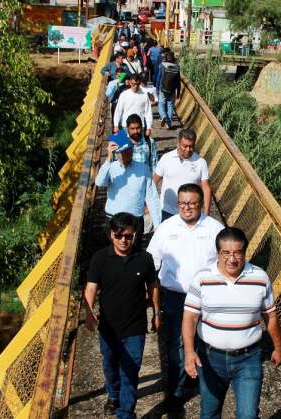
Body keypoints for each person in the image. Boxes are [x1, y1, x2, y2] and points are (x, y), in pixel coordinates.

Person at [182, 227, 281, 419]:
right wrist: (189, 351)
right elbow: (189, 317)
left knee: (248, 415)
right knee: (209, 412)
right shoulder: (202, 278)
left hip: (248, 358)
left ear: (245, 252)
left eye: (238, 253)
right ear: (218, 253)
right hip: (211, 358)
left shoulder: (260, 278)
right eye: (226, 253)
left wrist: (278, 348)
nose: (232, 258)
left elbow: (270, 317)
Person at [146, 183, 224, 411]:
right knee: (176, 347)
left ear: (201, 204)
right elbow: (153, 261)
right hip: (175, 297)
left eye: (192, 203)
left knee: (207, 341)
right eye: (182, 203)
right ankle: (176, 392)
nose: (187, 208)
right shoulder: (166, 228)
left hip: (207, 296)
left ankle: (203, 382)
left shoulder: (214, 229)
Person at [84, 212, 160, 418]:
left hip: (135, 326)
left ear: (135, 234)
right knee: (110, 364)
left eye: (128, 236)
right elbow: (91, 288)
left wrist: (156, 313)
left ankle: (126, 412)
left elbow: (153, 287)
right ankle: (113, 395)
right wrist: (89, 312)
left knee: (131, 369)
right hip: (108, 326)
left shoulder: (144, 259)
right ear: (111, 235)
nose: (124, 240)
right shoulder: (100, 259)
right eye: (119, 236)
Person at [95, 132, 161, 243]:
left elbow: (152, 197)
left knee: (134, 255)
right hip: (113, 219)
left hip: (135, 220)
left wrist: (157, 225)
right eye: (122, 152)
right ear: (116, 153)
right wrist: (108, 159)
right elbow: (99, 182)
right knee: (114, 255)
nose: (126, 154)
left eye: (129, 150)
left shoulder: (143, 169)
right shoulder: (110, 167)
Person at [153, 129, 211, 221]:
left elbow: (206, 188)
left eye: (191, 146)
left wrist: (206, 214)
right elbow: (154, 181)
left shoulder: (201, 162)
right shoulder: (166, 158)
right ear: (178, 143)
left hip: (190, 213)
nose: (188, 149)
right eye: (185, 146)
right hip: (165, 211)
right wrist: (150, 204)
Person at [156, 51, 180, 129]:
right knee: (170, 106)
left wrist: (157, 88)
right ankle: (169, 124)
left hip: (163, 88)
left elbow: (158, 78)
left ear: (165, 57)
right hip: (172, 90)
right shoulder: (177, 66)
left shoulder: (162, 65)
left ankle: (163, 116)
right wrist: (178, 93)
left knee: (161, 104)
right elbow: (178, 81)